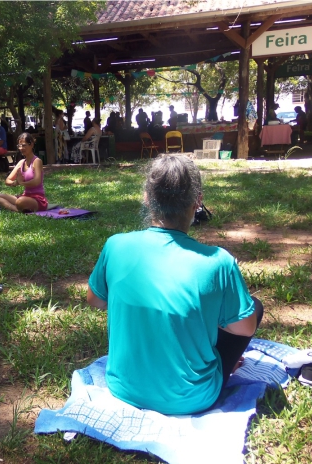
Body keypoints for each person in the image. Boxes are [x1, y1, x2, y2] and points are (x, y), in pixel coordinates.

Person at [87, 154, 262, 416]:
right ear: (197, 201)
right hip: (192, 398)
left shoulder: (115, 245)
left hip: (123, 387)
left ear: (147, 197)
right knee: (254, 308)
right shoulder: (218, 262)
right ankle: (219, 366)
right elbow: (245, 327)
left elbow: (95, 300)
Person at [0, 132, 47, 213]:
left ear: (31, 145)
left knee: (19, 202)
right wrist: (16, 183)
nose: (21, 148)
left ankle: (17, 208)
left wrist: (22, 183)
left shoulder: (37, 161)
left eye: (24, 145)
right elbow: (7, 181)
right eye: (19, 146)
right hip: (24, 197)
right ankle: (17, 210)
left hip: (37, 199)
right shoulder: (21, 162)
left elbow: (37, 181)